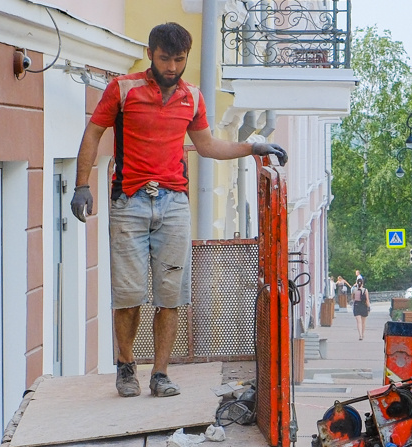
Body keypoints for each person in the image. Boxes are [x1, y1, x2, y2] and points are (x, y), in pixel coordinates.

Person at [70, 22, 286, 398]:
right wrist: (81, 186)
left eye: (179, 59)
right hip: (129, 202)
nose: (172, 67)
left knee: (171, 294)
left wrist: (254, 147)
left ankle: (161, 374)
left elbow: (207, 145)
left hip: (174, 203)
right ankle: (125, 368)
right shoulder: (123, 89)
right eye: (165, 58)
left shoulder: (193, 97)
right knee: (129, 293)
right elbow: (93, 132)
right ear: (151, 53)